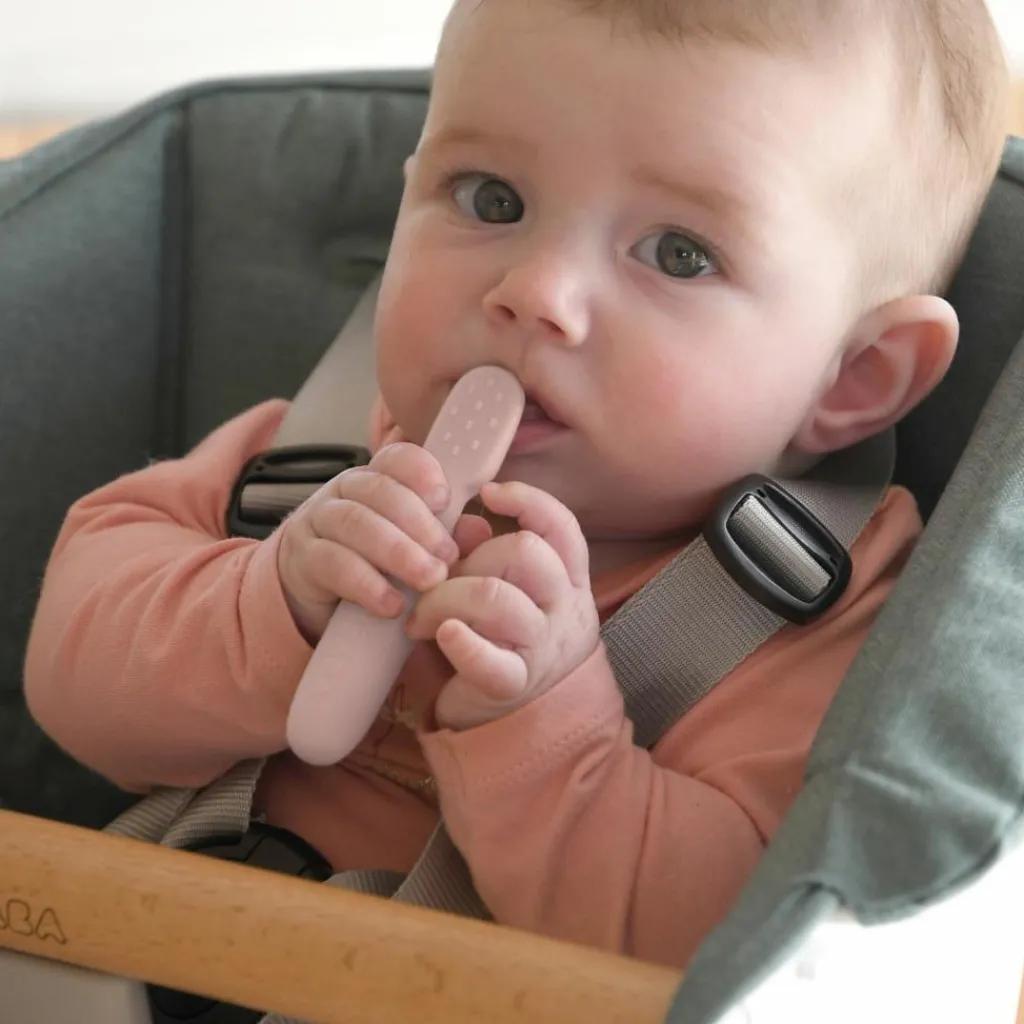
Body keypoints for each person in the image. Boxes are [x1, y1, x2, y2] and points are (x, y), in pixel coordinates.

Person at [24, 0, 1011, 968]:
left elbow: (723, 952)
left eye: (678, 254)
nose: (534, 291)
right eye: (490, 198)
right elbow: (71, 688)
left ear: (853, 377)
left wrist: (548, 738)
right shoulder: (314, 456)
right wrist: (271, 600)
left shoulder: (814, 619)